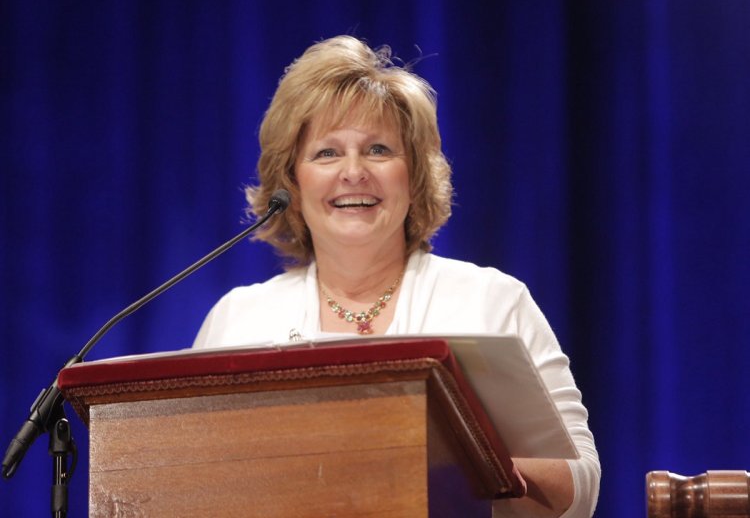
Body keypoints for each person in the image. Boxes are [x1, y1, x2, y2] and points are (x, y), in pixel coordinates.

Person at [193, 35, 600, 517]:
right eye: (326, 153)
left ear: (415, 177)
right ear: (292, 185)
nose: (353, 172)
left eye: (378, 149)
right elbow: (192, 483)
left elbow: (580, 483)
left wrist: (475, 465)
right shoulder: (239, 320)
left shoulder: (491, 301)